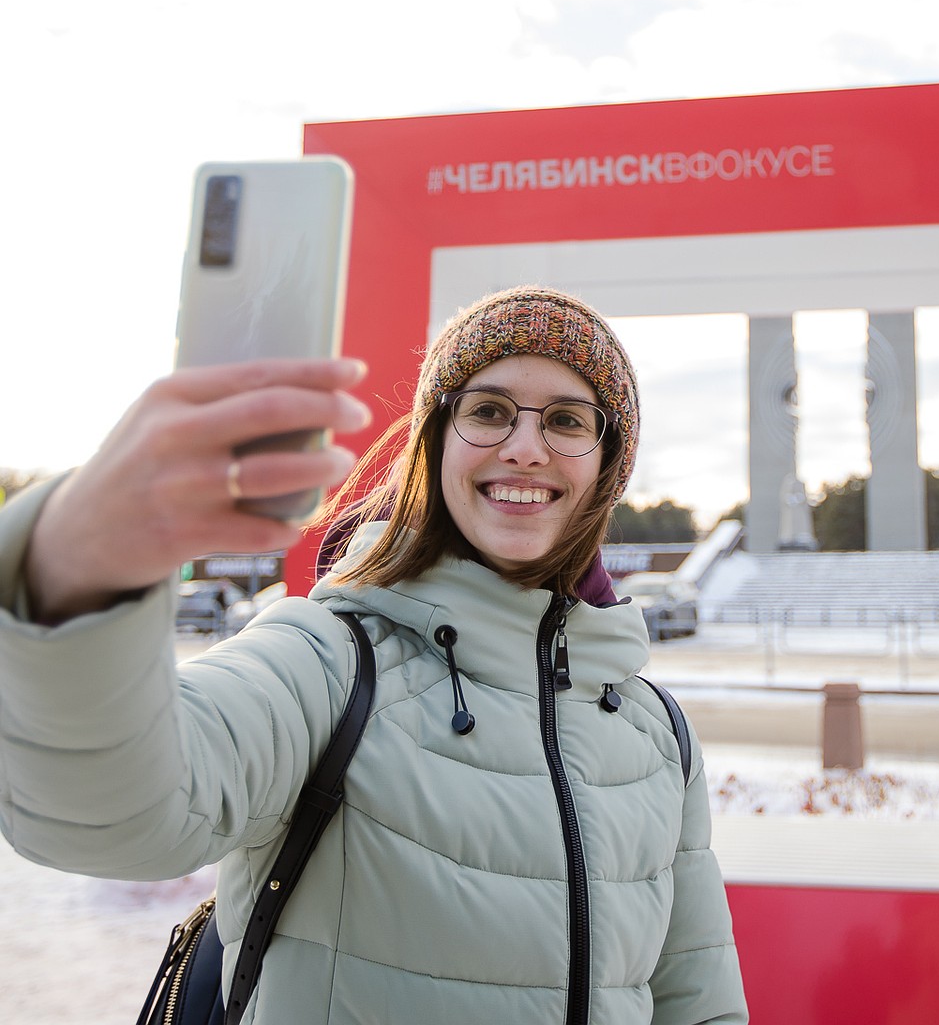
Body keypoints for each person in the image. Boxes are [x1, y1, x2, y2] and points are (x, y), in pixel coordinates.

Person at [0, 285, 748, 1024]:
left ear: (607, 463)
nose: (526, 448)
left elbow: (698, 999)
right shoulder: (326, 660)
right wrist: (75, 567)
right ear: (434, 440)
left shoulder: (658, 735)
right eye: (488, 411)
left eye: (565, 420)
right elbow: (115, 813)